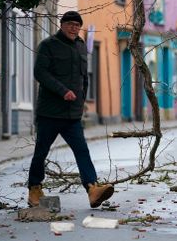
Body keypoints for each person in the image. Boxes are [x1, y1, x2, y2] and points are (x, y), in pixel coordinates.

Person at [27, 11, 114, 208]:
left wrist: (81, 101)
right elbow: (40, 72)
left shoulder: (81, 46)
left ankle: (92, 189)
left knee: (82, 150)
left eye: (77, 25)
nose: (74, 28)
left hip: (72, 115)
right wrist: (62, 91)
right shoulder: (48, 45)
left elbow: (84, 79)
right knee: (41, 152)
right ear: (62, 25)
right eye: (70, 24)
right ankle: (34, 188)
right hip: (49, 112)